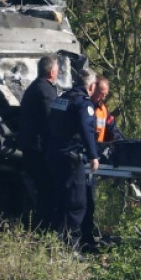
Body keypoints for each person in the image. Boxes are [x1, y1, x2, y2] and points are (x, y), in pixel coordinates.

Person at [46, 68, 99, 250]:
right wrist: (93, 155)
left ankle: (56, 244)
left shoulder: (61, 99)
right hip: (71, 156)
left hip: (54, 154)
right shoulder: (84, 103)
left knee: (60, 200)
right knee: (77, 203)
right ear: (91, 86)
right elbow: (87, 130)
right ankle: (71, 247)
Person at [80, 74, 124, 251]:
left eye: (105, 95)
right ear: (92, 87)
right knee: (81, 202)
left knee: (89, 202)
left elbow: (115, 133)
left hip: (93, 161)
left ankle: (87, 238)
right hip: (82, 159)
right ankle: (81, 240)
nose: (103, 97)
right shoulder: (83, 106)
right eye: (101, 93)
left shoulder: (103, 110)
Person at [18, 55, 61, 229]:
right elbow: (51, 120)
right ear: (51, 72)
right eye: (57, 70)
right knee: (46, 191)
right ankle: (45, 228)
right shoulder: (45, 91)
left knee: (42, 191)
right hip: (39, 150)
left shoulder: (35, 88)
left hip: (31, 147)